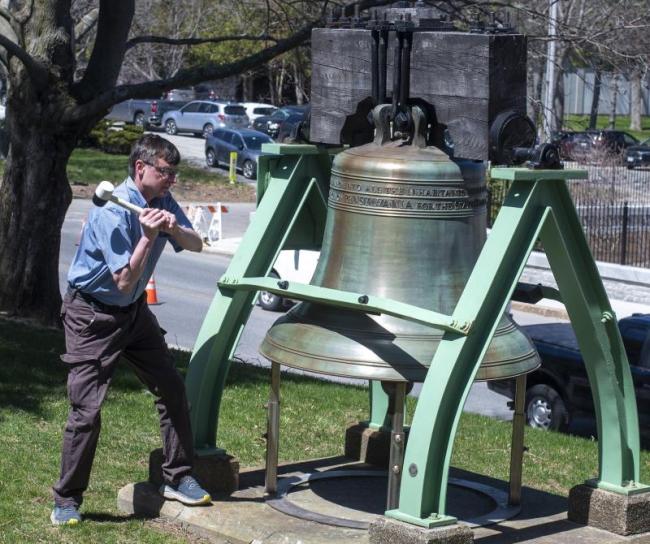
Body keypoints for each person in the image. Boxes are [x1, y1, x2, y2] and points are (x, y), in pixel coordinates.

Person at [51, 134, 210, 526]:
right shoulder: (110, 210)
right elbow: (123, 279)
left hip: (134, 315)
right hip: (91, 317)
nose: (172, 179)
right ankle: (66, 501)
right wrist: (148, 236)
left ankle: (177, 477)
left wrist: (172, 227)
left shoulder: (161, 203)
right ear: (141, 168)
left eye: (175, 173)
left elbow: (198, 245)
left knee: (171, 387)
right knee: (86, 412)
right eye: (165, 172)